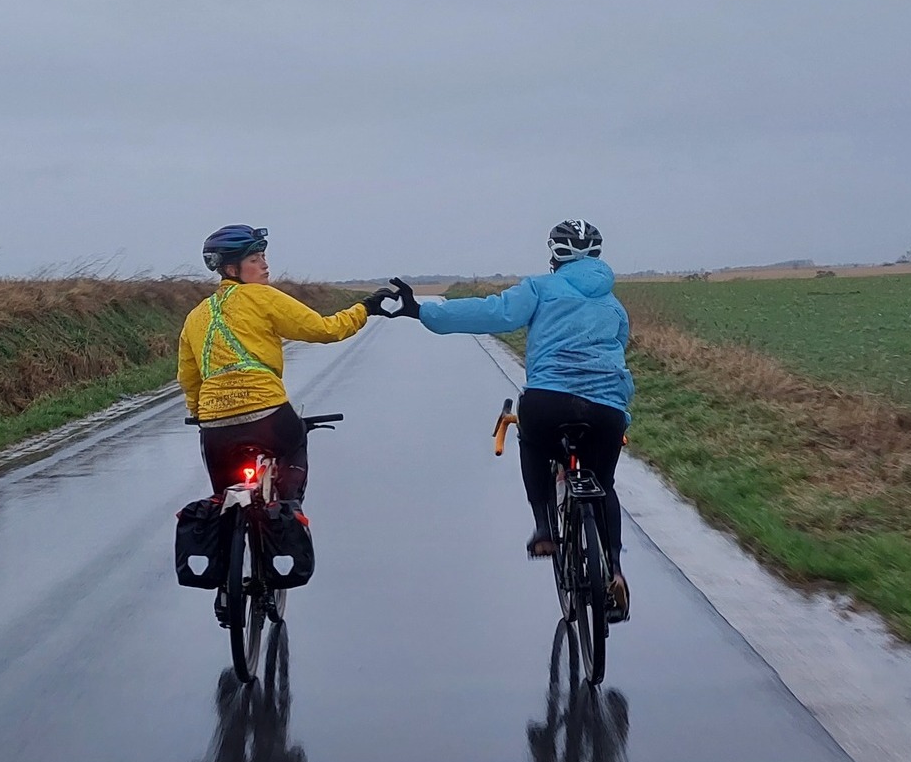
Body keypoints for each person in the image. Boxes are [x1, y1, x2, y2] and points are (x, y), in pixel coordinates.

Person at [387, 220, 634, 621]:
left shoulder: (540, 287)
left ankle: (544, 530)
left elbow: (494, 313)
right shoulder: (613, 305)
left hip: (549, 400)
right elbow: (619, 352)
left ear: (554, 254)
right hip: (605, 409)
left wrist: (423, 312)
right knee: (603, 485)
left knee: (534, 443)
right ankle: (615, 571)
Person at [178, 224, 395, 501]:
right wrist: (365, 308)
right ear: (232, 270)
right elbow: (325, 330)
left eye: (264, 258)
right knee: (292, 456)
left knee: (222, 503)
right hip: (267, 415)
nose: (265, 266)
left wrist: (200, 412)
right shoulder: (262, 296)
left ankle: (223, 530)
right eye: (255, 260)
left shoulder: (195, 316)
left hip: (215, 429)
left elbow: (189, 376)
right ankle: (288, 516)